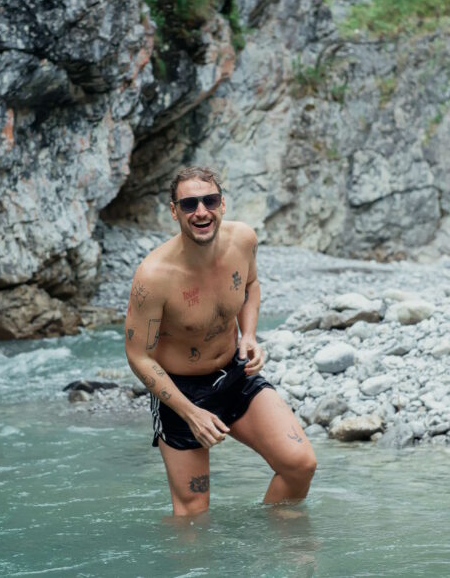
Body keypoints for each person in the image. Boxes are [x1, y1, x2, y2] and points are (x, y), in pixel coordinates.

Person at [124, 166, 317, 516]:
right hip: (180, 392)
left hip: (234, 372)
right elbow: (139, 356)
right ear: (174, 211)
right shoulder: (153, 277)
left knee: (299, 464)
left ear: (222, 205)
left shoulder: (243, 239)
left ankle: (276, 546)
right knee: (193, 513)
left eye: (209, 200)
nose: (201, 211)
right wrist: (191, 413)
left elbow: (251, 286)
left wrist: (250, 335)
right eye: (189, 204)